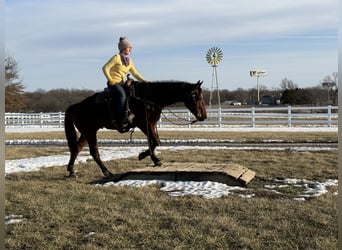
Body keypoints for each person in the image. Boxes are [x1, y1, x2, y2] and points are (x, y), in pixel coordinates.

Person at [102, 37, 148, 131]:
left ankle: (130, 116)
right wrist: (110, 79)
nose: (130, 49)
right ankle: (120, 119)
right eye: (128, 48)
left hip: (121, 83)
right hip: (113, 83)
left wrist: (145, 81)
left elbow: (135, 73)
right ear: (122, 48)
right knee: (122, 95)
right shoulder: (116, 58)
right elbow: (105, 68)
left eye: (131, 48)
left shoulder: (129, 61)